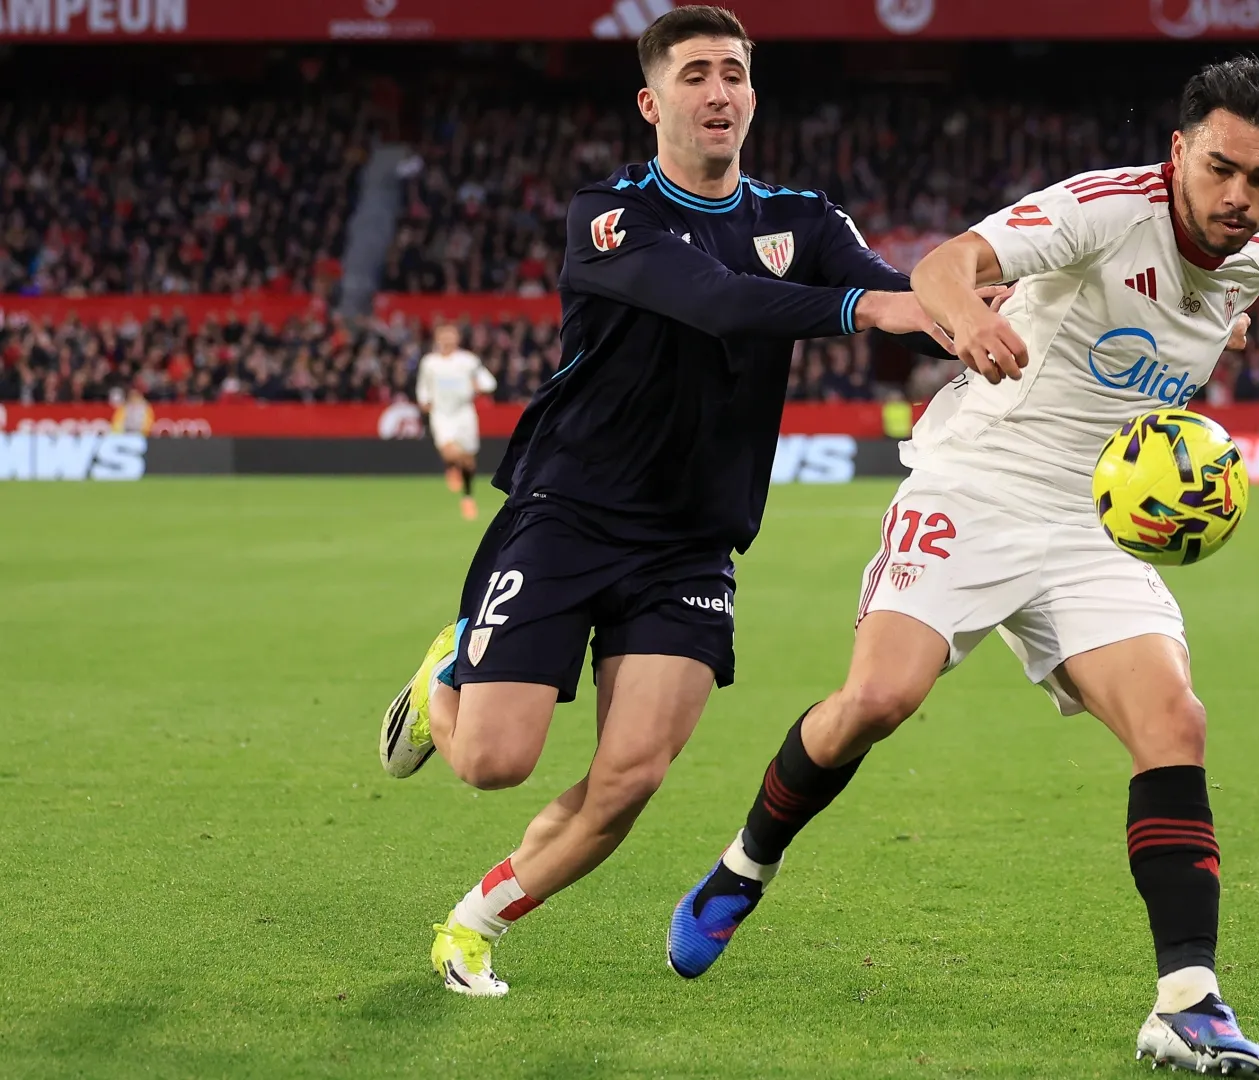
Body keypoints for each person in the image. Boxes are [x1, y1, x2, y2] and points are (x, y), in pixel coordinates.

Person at [666, 58, 1259, 1078]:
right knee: (878, 698)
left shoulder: (1246, 267)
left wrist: (1174, 468)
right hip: (977, 485)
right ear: (1179, 151)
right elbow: (943, 265)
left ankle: (1188, 1001)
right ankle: (746, 863)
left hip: (1093, 521)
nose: (1240, 197)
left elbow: (1177, 357)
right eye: (1223, 168)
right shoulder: (1101, 209)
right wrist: (970, 319)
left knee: (1174, 721)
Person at [373, 6, 957, 999]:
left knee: (631, 778)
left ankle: (472, 926)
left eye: (733, 72)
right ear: (653, 102)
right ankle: (445, 679)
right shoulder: (609, 215)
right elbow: (721, 301)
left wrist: (1075, 319)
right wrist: (873, 307)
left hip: (691, 543)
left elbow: (908, 300)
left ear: (753, 95)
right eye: (695, 74)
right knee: (493, 764)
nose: (719, 90)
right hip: (569, 512)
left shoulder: (804, 220)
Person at [415, 323, 498, 520]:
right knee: (449, 450)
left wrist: (480, 386)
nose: (447, 340)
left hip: (464, 413)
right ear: (437, 339)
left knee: (469, 462)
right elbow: (423, 386)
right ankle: (451, 466)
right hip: (442, 414)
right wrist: (424, 401)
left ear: (457, 339)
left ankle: (468, 497)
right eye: (443, 336)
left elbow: (489, 382)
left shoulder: (468, 361)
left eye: (451, 336)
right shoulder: (430, 363)